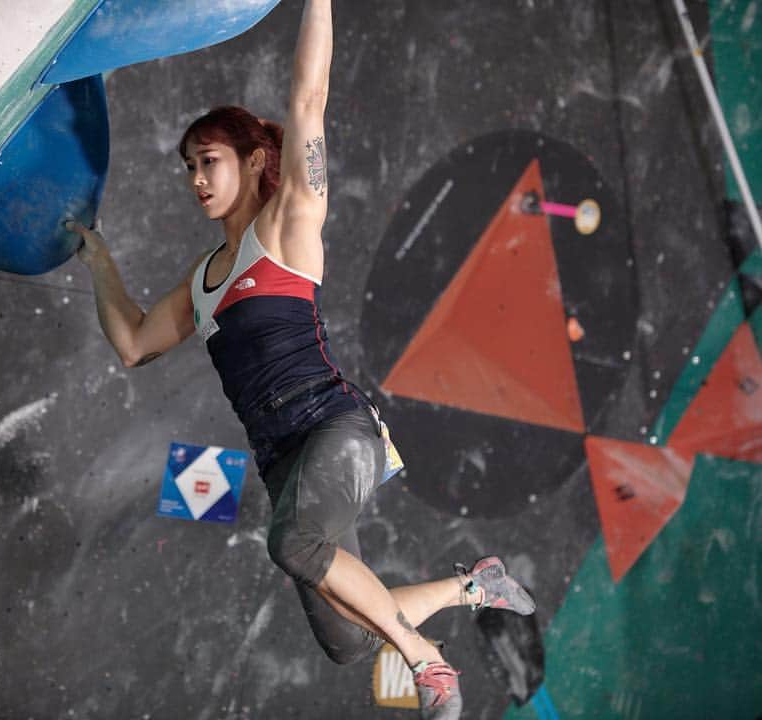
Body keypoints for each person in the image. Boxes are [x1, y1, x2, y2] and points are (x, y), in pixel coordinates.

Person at [66, 1, 535, 717]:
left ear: (255, 161)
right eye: (189, 166)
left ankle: (429, 663)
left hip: (335, 430)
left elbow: (309, 96)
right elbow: (132, 344)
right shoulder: (201, 282)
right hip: (286, 462)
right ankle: (475, 587)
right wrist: (95, 256)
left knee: (294, 542)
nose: (196, 177)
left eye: (210, 160)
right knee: (346, 640)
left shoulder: (289, 223)